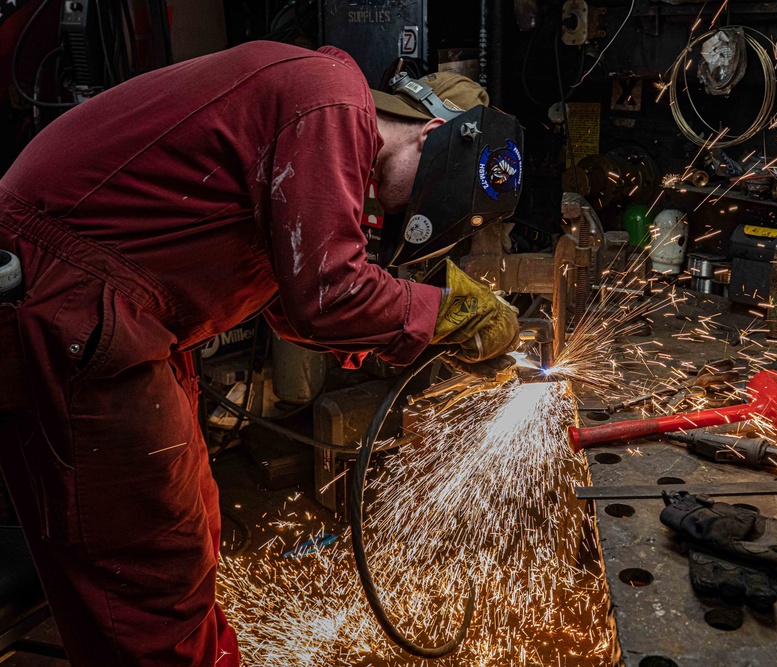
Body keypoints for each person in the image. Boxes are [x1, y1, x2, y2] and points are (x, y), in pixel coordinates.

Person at [0, 41, 520, 666]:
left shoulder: (321, 123)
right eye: (416, 201)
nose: (393, 210)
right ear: (433, 135)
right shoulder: (329, 100)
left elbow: (293, 303)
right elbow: (327, 294)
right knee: (147, 572)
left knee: (192, 532)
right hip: (75, 309)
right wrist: (444, 313)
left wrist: (408, 329)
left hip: (126, 322)